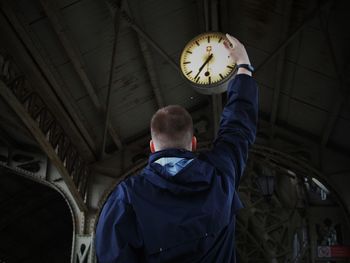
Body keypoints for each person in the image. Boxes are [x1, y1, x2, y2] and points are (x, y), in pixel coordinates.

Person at [95, 34, 258, 262]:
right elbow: (238, 127)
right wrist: (243, 68)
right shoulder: (220, 176)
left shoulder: (126, 198)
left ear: (152, 147)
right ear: (193, 144)